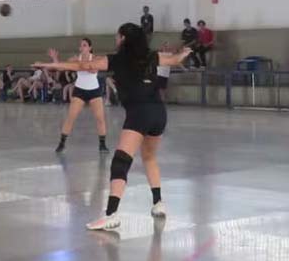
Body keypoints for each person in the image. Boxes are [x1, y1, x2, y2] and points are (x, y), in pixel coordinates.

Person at [34, 24, 191, 230]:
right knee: (150, 157)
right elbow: (174, 60)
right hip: (159, 113)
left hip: (139, 114)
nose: (116, 40)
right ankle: (158, 203)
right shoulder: (152, 56)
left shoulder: (116, 60)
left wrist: (52, 65)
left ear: (124, 38)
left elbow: (83, 67)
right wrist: (184, 53)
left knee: (120, 162)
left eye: (118, 36)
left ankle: (111, 214)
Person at [53, 38, 108, 154]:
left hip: (94, 91)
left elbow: (93, 71)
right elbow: (61, 67)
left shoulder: (96, 59)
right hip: (79, 90)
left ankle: (102, 145)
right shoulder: (74, 59)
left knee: (100, 118)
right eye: (81, 46)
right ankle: (62, 143)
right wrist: (55, 59)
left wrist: (81, 65)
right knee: (70, 117)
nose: (82, 47)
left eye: (85, 45)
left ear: (90, 48)